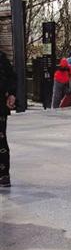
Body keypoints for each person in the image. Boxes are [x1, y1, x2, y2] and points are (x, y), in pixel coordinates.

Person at [0, 50, 16, 187]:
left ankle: (3, 174)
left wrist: (11, 94)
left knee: (1, 139)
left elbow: (11, 77)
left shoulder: (1, 57)